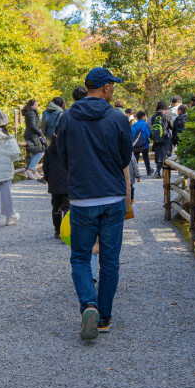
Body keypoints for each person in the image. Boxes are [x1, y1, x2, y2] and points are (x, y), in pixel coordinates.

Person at [56, 67, 133, 340]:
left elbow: (62, 156)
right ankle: (103, 317)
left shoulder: (67, 118)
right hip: (112, 196)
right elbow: (125, 158)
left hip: (81, 197)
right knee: (110, 260)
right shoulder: (117, 118)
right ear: (104, 88)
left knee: (80, 256)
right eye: (112, 85)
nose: (114, 89)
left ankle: (88, 304)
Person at [42, 126, 69, 240]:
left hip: (54, 183)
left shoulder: (49, 149)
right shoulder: (70, 147)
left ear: (54, 133)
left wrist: (49, 179)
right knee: (67, 207)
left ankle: (57, 230)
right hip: (68, 182)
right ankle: (66, 231)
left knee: (56, 207)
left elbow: (45, 167)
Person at [22, 99, 45, 179]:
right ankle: (29, 170)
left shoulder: (31, 112)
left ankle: (34, 172)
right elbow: (33, 125)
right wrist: (40, 133)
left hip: (31, 134)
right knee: (40, 152)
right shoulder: (31, 113)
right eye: (35, 105)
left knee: (34, 152)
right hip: (32, 135)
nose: (37, 106)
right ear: (31, 106)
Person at [151, 101, 173, 177]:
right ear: (165, 107)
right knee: (165, 155)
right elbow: (172, 127)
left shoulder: (153, 117)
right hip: (165, 138)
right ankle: (165, 172)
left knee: (158, 155)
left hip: (156, 139)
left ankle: (157, 171)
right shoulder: (167, 116)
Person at [131, 110, 152, 175]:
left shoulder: (134, 125)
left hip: (136, 145)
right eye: (145, 116)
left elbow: (131, 135)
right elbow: (148, 134)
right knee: (146, 158)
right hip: (144, 144)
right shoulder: (145, 125)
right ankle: (148, 171)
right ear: (143, 117)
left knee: (136, 158)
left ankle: (135, 171)